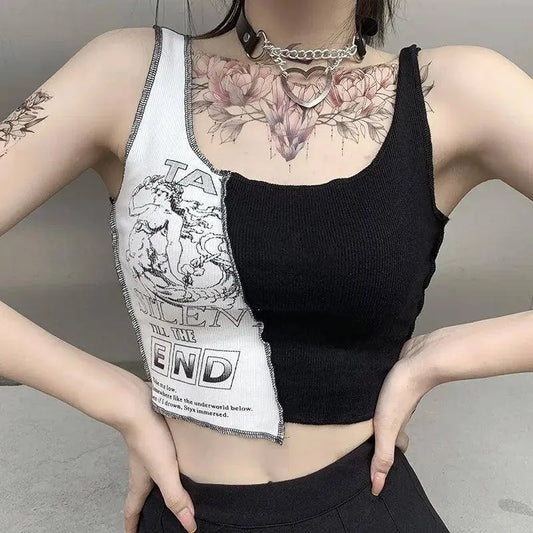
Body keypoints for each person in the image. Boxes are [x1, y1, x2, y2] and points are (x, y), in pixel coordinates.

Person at [1, 1, 532, 532]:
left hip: (367, 506)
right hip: (184, 513)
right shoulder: (125, 76)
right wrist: (114, 397)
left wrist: (442, 356)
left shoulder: (457, 91)